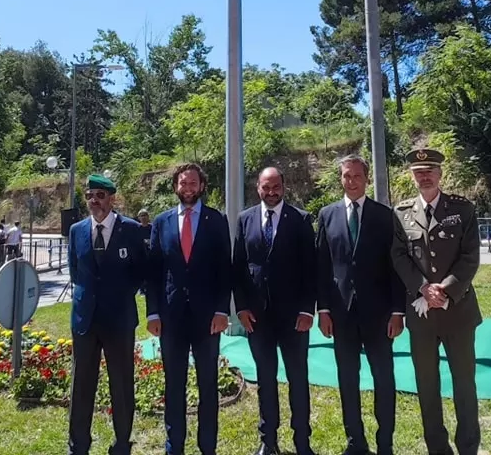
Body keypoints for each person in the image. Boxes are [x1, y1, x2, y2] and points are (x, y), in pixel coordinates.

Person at [391, 147, 482, 455]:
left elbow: (470, 258)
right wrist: (421, 288)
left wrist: (443, 289)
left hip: (458, 311)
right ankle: (437, 448)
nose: (424, 176)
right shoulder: (401, 213)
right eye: (418, 172)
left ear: (440, 174)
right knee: (427, 388)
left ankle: (468, 446)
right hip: (422, 316)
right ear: (412, 177)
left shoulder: (463, 209)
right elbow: (399, 256)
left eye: (429, 170)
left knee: (464, 385)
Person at [316, 155, 404, 455]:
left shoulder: (384, 215)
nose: (351, 181)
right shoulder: (327, 215)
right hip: (341, 315)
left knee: (383, 379)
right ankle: (356, 441)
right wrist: (324, 310)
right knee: (347, 380)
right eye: (345, 176)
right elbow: (323, 266)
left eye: (356, 176)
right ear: (340, 179)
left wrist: (397, 311)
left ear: (366, 179)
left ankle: (385, 443)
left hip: (379, 316)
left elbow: (396, 267)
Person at [146, 162, 231, 455]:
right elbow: (154, 272)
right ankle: (174, 446)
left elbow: (225, 270)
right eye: (183, 183)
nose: (188, 188)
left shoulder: (216, 220)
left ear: (202, 186)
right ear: (175, 187)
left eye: (193, 183)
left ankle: (208, 446)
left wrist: (222, 311)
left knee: (208, 385)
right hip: (171, 318)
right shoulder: (161, 222)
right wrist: (153, 312)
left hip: (208, 318)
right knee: (174, 385)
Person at [233, 167, 317, 455]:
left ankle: (302, 441)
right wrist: (241, 308)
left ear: (284, 186)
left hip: (294, 318)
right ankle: (268, 441)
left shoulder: (301, 219)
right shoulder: (245, 220)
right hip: (258, 318)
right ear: (257, 187)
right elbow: (238, 267)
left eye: (276, 187)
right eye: (266, 187)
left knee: (298, 379)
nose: (271, 192)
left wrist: (308, 310)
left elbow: (311, 269)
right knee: (265, 379)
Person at [68, 174, 146, 455]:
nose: (94, 201)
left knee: (122, 384)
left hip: (119, 319)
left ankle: (122, 443)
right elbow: (76, 271)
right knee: (81, 385)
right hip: (85, 319)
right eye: (90, 196)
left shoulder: (132, 230)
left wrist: (120, 294)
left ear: (112, 199)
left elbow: (140, 272)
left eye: (100, 196)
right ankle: (78, 444)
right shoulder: (76, 230)